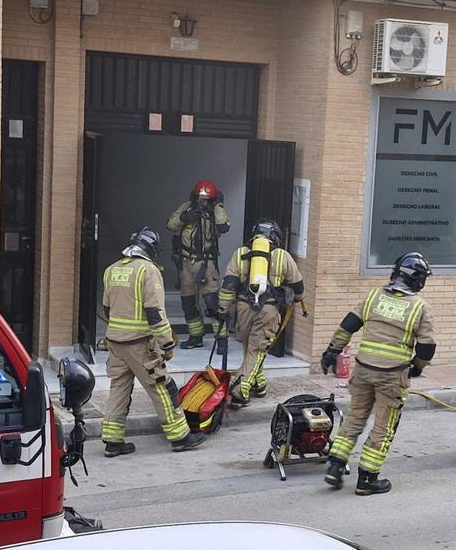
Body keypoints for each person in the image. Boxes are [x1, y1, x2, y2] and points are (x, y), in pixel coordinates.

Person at [319, 252, 435, 496]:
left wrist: (332, 351)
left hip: (362, 370)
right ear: (418, 280)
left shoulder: (374, 296)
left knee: (355, 416)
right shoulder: (419, 307)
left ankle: (336, 465)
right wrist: (417, 367)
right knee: (384, 425)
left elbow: (348, 325)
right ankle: (367, 479)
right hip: (392, 376)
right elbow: (426, 347)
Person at [100, 227, 206, 457]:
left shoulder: (112, 270)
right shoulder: (148, 270)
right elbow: (155, 313)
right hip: (140, 344)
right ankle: (180, 437)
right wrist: (167, 343)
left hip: (115, 343)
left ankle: (113, 440)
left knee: (119, 388)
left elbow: (107, 309)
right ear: (151, 249)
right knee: (163, 387)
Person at [218, 220, 304, 408]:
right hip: (268, 309)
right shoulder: (282, 256)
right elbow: (298, 285)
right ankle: (241, 390)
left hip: (242, 308)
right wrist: (298, 297)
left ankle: (260, 384)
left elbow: (229, 284)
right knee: (257, 349)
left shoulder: (240, 253)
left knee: (251, 347)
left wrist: (223, 310)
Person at [166, 181, 230, 349]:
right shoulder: (186, 207)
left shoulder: (215, 212)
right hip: (186, 264)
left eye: (206, 200)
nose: (202, 203)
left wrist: (218, 206)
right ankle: (196, 336)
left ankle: (221, 340)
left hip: (206, 265)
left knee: (212, 302)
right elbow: (170, 225)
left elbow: (224, 227)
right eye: (199, 199)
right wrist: (184, 218)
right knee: (188, 303)